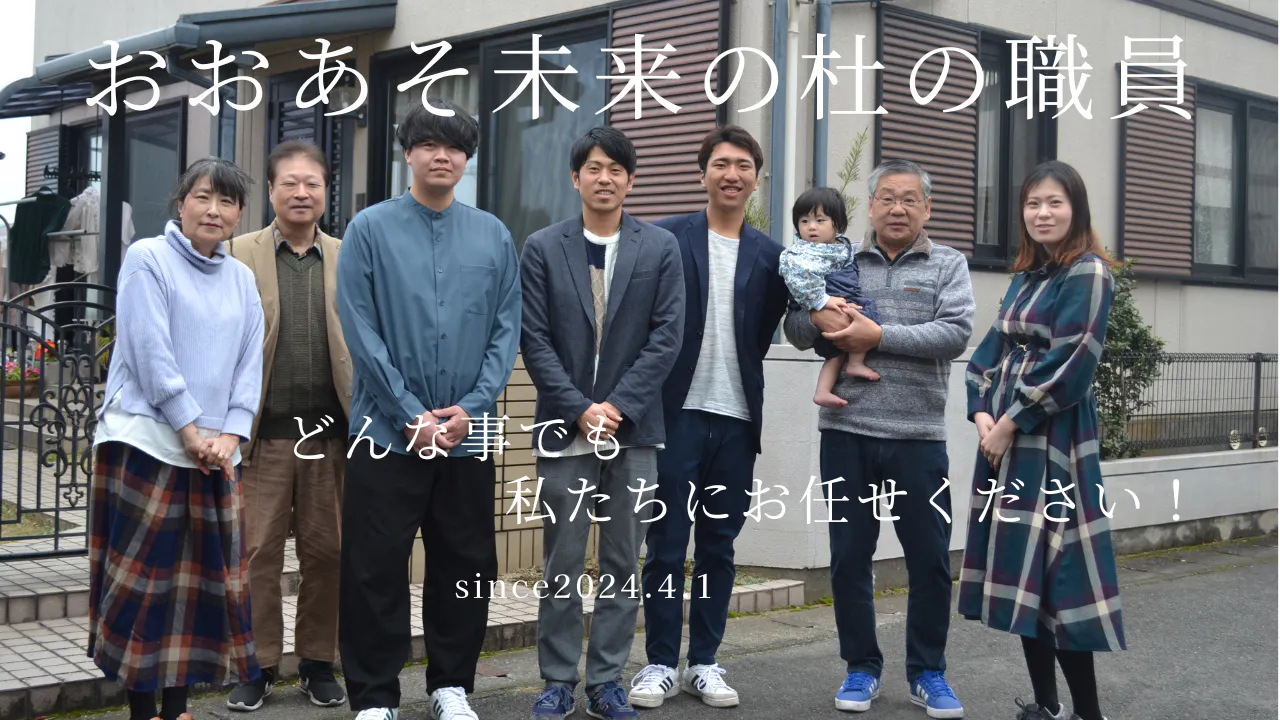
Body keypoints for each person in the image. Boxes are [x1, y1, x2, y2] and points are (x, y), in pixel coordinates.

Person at [336, 98, 521, 720]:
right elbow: (360, 329)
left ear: (467, 159)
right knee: (374, 566)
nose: (442, 156)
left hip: (468, 434)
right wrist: (409, 413)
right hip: (385, 432)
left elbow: (505, 331)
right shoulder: (369, 229)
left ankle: (451, 686)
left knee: (466, 564)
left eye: (455, 146)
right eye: (429, 144)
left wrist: (473, 407)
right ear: (407, 153)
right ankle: (374, 695)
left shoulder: (493, 235)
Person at [783, 158, 974, 718]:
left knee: (930, 558)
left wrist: (878, 334)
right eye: (887, 197)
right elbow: (796, 331)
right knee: (848, 557)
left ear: (927, 208)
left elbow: (955, 333)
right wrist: (820, 315)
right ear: (870, 206)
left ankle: (928, 672)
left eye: (909, 199)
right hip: (847, 432)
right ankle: (861, 667)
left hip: (919, 436)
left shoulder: (948, 263)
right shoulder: (838, 257)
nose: (897, 208)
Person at [87, 157, 265, 720]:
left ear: (239, 214)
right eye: (203, 197)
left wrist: (231, 434)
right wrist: (189, 428)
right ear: (181, 202)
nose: (214, 210)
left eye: (227, 201)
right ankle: (144, 712)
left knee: (199, 587)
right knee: (144, 588)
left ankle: (178, 709)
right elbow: (150, 353)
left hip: (215, 454)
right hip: (147, 445)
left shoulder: (241, 279)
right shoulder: (148, 259)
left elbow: (250, 364)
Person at [521, 126, 684, 720]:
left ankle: (607, 680)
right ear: (575, 177)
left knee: (622, 562)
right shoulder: (542, 246)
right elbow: (534, 338)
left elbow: (667, 336)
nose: (605, 178)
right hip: (565, 428)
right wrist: (579, 408)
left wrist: (615, 408)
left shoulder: (658, 247)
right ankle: (557, 680)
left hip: (634, 431)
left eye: (616, 169)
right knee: (562, 561)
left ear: (631, 180)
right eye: (594, 167)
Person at [628, 125, 789, 711]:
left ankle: (704, 662)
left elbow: (771, 329)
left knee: (719, 545)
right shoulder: (665, 237)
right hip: (676, 416)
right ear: (702, 174)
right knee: (666, 543)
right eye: (721, 163)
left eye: (744, 165)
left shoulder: (772, 255)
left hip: (738, 419)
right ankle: (659, 663)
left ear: (756, 179)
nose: (732, 174)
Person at [959, 161, 1124, 720]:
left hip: (1053, 438)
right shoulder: (1028, 276)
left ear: (1076, 208)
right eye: (1033, 204)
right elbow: (989, 351)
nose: (1042, 213)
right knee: (1025, 573)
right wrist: (981, 411)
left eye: (1054, 202)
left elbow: (1074, 362)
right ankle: (1048, 706)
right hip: (1006, 440)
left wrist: (1009, 421)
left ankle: (1088, 713)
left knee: (1061, 575)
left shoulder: (1088, 272)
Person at [225, 141, 351, 712]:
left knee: (328, 552)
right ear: (271, 191)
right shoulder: (237, 253)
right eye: (290, 183)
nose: (302, 193)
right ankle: (257, 666)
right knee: (258, 555)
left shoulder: (348, 255)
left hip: (331, 437)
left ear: (326, 191)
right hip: (264, 437)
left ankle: (319, 662)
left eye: (312, 184)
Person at [779, 186, 882, 410]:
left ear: (838, 224)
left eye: (820, 220)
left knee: (836, 354)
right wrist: (822, 303)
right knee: (862, 315)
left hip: (840, 299)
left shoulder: (841, 247)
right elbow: (800, 282)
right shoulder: (800, 253)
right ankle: (855, 363)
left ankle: (824, 389)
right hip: (817, 299)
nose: (811, 227)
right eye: (804, 221)